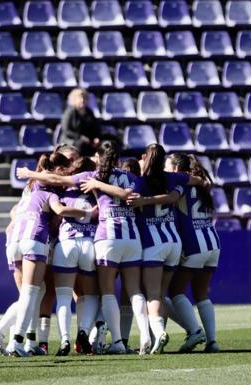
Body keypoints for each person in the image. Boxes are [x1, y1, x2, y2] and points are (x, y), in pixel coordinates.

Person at [17, 140, 152, 355]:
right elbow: (132, 197)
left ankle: (63, 341)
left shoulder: (84, 180)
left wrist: (30, 174)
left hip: (83, 242)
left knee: (68, 295)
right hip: (114, 240)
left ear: (99, 157)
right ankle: (129, 338)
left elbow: (54, 179)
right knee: (112, 293)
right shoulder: (129, 177)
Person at [6, 156, 91, 357]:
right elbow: (59, 209)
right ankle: (15, 339)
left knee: (36, 292)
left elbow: (14, 210)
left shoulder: (32, 188)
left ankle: (31, 341)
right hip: (35, 238)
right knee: (31, 292)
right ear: (56, 169)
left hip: (14, 239)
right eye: (65, 169)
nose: (66, 175)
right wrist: (87, 213)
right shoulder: (47, 189)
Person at [127, 144, 207, 354]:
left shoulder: (139, 182)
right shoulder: (174, 178)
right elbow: (201, 181)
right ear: (163, 161)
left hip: (153, 244)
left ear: (145, 158)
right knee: (161, 294)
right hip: (174, 242)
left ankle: (159, 334)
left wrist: (146, 200)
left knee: (153, 294)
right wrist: (175, 193)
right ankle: (160, 338)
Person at [165, 153, 221, 353]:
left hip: (193, 244)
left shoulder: (180, 186)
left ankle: (194, 331)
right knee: (201, 294)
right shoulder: (203, 184)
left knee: (175, 291)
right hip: (212, 243)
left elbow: (179, 219)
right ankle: (212, 341)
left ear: (175, 170)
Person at [51, 157, 99, 356]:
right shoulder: (98, 192)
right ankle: (83, 331)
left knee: (63, 297)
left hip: (67, 244)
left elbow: (55, 219)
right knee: (91, 295)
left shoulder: (63, 191)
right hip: (89, 244)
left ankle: (64, 340)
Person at [60, 88, 101, 157]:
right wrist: (80, 137)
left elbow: (95, 128)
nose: (82, 100)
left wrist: (96, 138)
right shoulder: (69, 112)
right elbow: (66, 130)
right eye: (80, 98)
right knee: (81, 145)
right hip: (72, 140)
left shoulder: (89, 112)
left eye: (84, 98)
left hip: (88, 140)